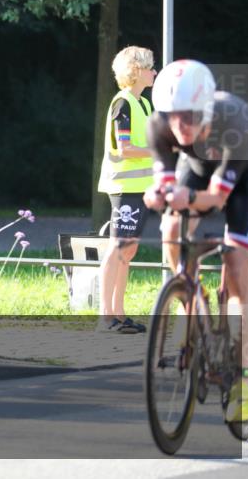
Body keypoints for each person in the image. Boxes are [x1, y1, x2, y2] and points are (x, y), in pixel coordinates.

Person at [143, 59, 248, 423]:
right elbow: (166, 181)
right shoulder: (158, 124)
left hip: (245, 176)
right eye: (174, 116)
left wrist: (186, 199)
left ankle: (245, 377)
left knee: (236, 264)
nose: (181, 125)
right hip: (197, 168)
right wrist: (159, 193)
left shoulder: (235, 124)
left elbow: (216, 199)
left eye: (191, 116)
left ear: (207, 109)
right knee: (171, 228)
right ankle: (187, 292)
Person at [97, 47, 157, 333]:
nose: (155, 72)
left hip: (141, 188)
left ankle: (119, 313)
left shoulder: (144, 104)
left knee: (128, 250)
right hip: (123, 187)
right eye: (150, 67)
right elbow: (125, 149)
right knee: (118, 247)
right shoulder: (122, 103)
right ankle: (105, 316)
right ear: (136, 71)